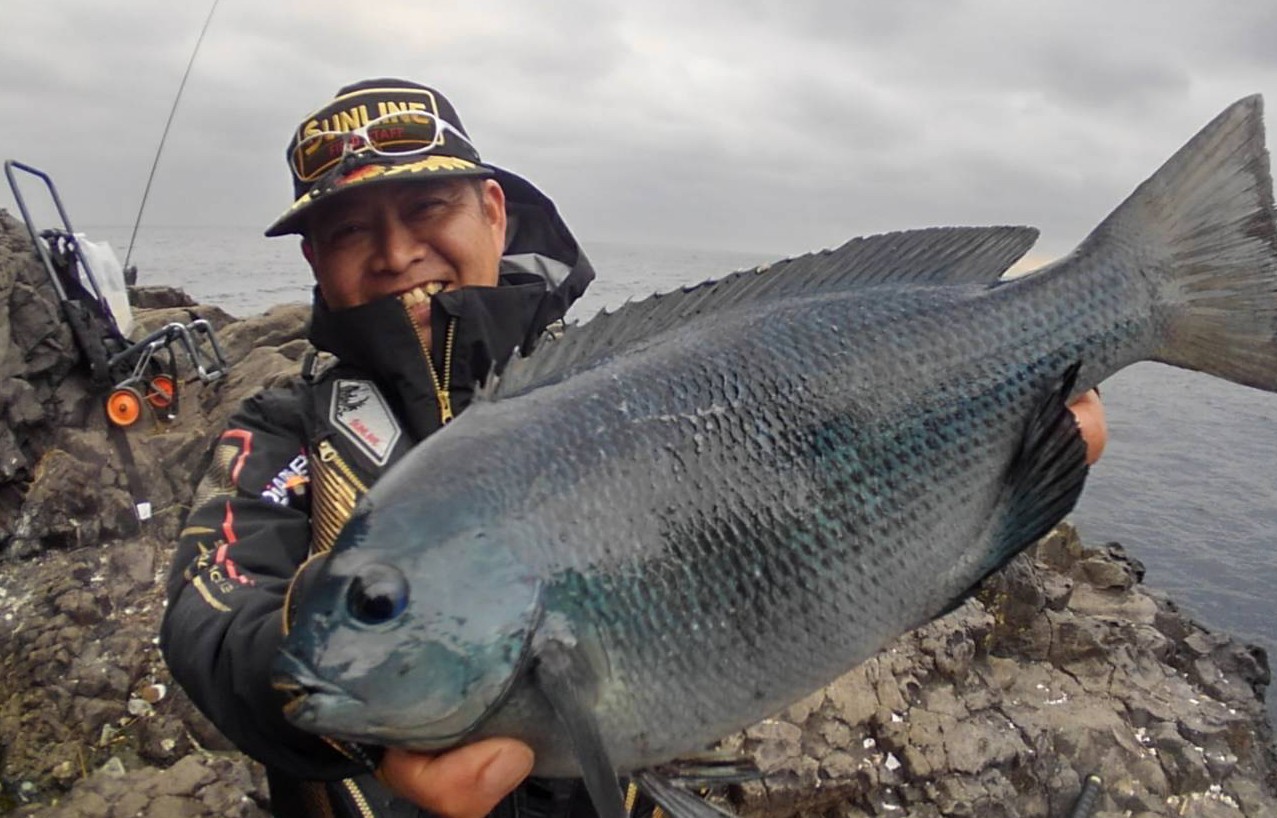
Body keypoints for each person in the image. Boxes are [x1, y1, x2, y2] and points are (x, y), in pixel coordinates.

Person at [159, 77, 1107, 818]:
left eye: (428, 212)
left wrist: (1002, 464)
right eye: (350, 229)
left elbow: (819, 505)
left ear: (494, 212)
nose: (397, 251)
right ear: (314, 262)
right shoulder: (282, 432)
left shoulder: (607, 374)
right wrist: (335, 661)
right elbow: (210, 624)